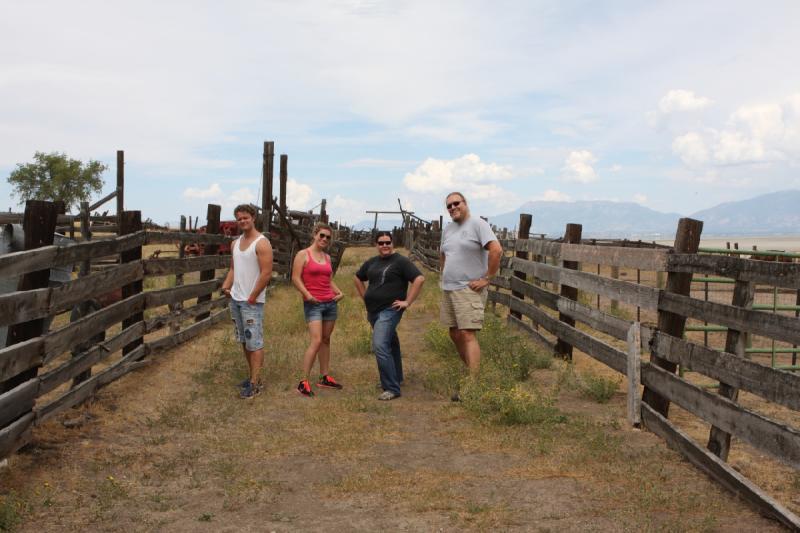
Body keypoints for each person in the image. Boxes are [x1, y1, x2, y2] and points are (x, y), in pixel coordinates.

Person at [439, 192, 502, 400]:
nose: (452, 207)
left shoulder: (478, 224)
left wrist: (487, 278)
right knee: (454, 333)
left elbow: (496, 250)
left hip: (469, 288)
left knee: (467, 333)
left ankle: (473, 386)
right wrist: (444, 275)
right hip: (449, 288)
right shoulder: (448, 229)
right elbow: (444, 254)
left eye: (456, 203)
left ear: (465, 203)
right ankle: (473, 374)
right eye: (449, 205)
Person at [354, 231, 425, 401]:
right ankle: (396, 378)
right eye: (381, 242)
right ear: (376, 245)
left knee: (380, 345)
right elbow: (357, 277)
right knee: (391, 343)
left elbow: (419, 279)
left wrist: (407, 302)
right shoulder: (372, 262)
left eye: (387, 242)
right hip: (373, 311)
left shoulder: (400, 261)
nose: (384, 245)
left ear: (392, 243)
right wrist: (365, 297)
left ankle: (392, 388)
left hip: (390, 310)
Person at [221, 204, 274, 399]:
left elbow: (266, 273)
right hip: (236, 299)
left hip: (252, 302)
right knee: (244, 340)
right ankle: (252, 376)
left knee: (255, 342)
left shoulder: (262, 243)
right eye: (239, 218)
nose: (242, 221)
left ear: (253, 218)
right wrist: (226, 287)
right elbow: (234, 269)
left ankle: (255, 384)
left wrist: (252, 296)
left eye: (245, 217)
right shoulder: (235, 243)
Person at [291, 222, 345, 397]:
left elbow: (328, 280)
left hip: (330, 303)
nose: (324, 239)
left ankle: (324, 377)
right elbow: (295, 278)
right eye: (321, 235)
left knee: (326, 340)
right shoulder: (303, 254)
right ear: (315, 235)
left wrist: (339, 292)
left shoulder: (327, 258)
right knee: (316, 341)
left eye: (328, 237)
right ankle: (303, 382)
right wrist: (307, 295)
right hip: (313, 303)